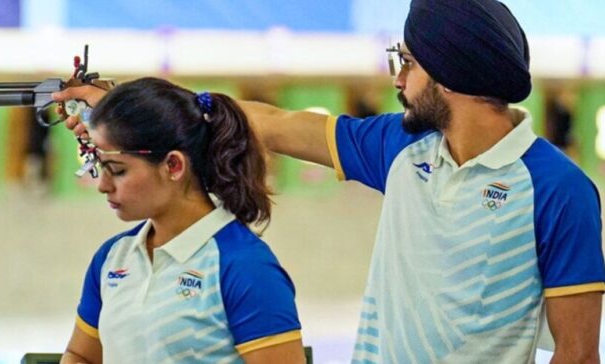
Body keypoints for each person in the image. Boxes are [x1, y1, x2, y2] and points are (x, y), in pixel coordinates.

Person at [54, 0, 605, 362]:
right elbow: (274, 124)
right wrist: (125, 107)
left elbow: (577, 353)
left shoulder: (559, 190)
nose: (397, 77)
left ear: (449, 74)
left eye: (407, 62)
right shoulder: (401, 146)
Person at [58, 77, 305, 363]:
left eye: (117, 169)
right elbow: (81, 355)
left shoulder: (245, 266)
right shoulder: (112, 257)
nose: (103, 184)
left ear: (173, 165)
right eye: (99, 166)